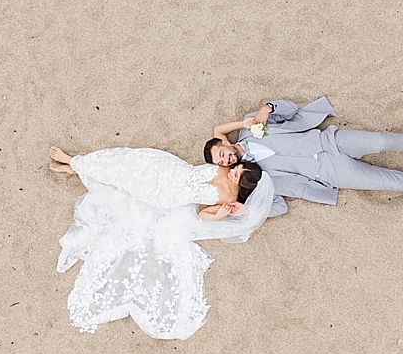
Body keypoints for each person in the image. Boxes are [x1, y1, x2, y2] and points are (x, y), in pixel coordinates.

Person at [46, 144, 274, 340]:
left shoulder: (228, 198)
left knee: (129, 187)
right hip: (172, 170)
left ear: (244, 184)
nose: (232, 171)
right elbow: (219, 142)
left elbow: (202, 215)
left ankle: (75, 166)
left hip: (169, 195)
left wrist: (220, 216)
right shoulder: (225, 166)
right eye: (236, 168)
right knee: (126, 164)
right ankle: (77, 163)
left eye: (237, 174)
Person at [203, 98, 403, 214]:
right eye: (221, 162)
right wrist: (243, 210)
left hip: (329, 141)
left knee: (382, 140)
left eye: (222, 153)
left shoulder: (252, 126)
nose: (225, 160)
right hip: (330, 173)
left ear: (224, 142)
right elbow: (276, 207)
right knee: (394, 181)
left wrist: (268, 107)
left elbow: (290, 110)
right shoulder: (249, 178)